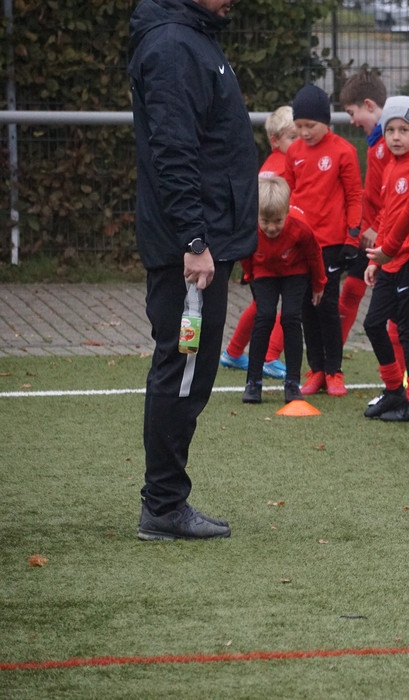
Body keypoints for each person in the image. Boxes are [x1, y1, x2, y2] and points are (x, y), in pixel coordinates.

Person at [128, 0, 256, 540]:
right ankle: (163, 505)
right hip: (192, 251)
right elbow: (173, 151)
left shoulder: (191, 37)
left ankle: (165, 501)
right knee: (182, 370)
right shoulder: (172, 46)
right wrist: (195, 240)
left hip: (203, 242)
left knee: (189, 371)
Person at [285, 84, 363, 397]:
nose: (304, 132)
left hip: (330, 244)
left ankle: (334, 371)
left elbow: (354, 196)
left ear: (326, 122)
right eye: (299, 126)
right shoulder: (293, 152)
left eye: (310, 125)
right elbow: (289, 193)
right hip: (301, 243)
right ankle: (316, 369)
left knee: (327, 306)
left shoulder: (344, 151)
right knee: (306, 306)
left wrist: (352, 237)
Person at [362, 95, 409, 422]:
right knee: (373, 324)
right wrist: (375, 260)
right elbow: (388, 217)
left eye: (404, 130)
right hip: (388, 260)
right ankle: (394, 390)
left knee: (407, 330)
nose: (395, 136)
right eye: (390, 129)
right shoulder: (390, 167)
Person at [221, 105, 298, 378]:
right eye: (293, 137)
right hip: (274, 246)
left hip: (259, 245)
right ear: (275, 140)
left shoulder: (268, 166)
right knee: (289, 303)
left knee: (260, 304)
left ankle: (233, 351)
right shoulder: (284, 167)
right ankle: (270, 356)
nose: (299, 142)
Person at [241, 176, 325, 404]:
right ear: (256, 215)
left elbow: (314, 255)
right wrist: (249, 276)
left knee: (291, 317)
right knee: (264, 316)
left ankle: (292, 383)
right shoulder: (248, 227)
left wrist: (319, 284)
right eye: (265, 221)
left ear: (287, 212)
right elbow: (245, 254)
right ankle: (253, 382)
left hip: (295, 271)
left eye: (277, 221)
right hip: (264, 271)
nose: (271, 227)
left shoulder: (300, 228)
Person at [338, 69, 387, 349]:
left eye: (351, 112)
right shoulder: (375, 141)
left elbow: (399, 195)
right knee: (350, 292)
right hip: (370, 232)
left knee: (401, 307)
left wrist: (378, 226)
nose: (352, 121)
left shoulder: (391, 141)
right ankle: (331, 364)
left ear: (368, 105)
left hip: (389, 235)